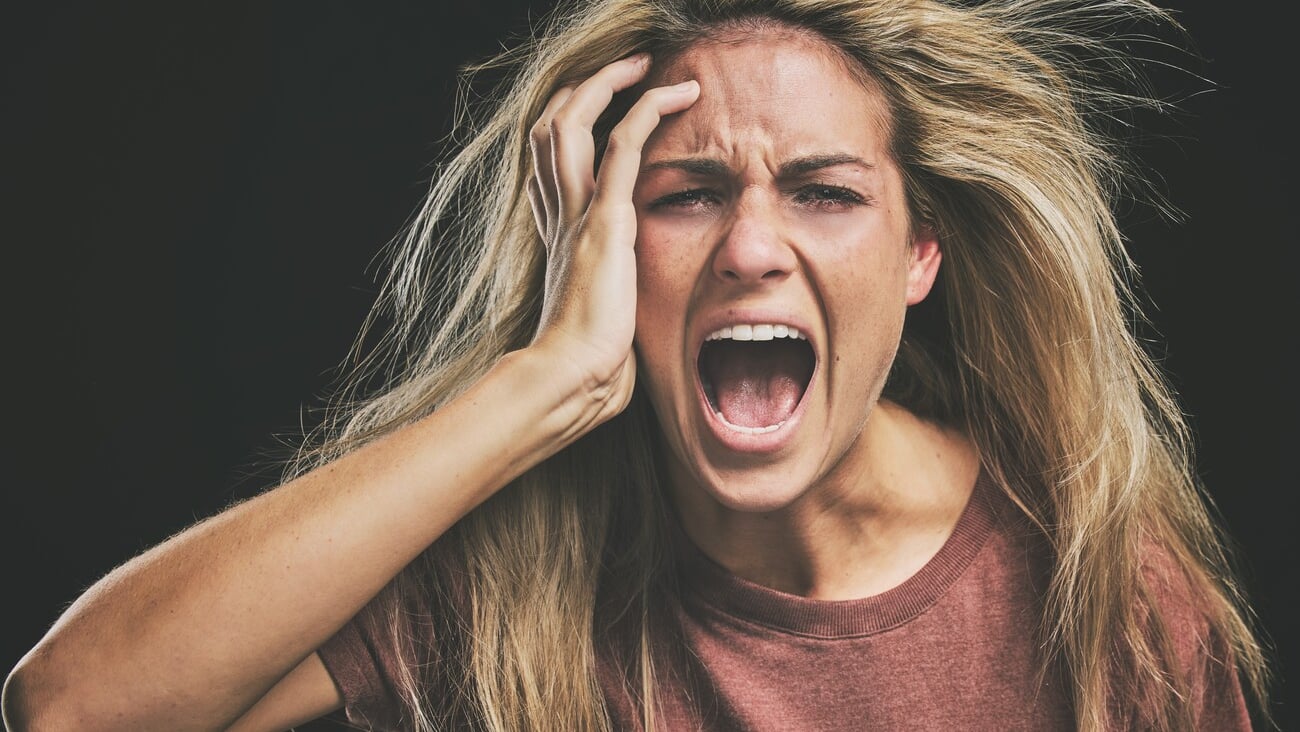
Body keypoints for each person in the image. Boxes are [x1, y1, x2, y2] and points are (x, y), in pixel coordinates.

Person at [1, 0, 1274, 730]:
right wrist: (538, 385)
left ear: (919, 256)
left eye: (826, 193)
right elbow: (70, 709)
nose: (752, 247)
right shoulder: (514, 567)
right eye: (684, 195)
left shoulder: (1100, 594)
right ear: (601, 249)